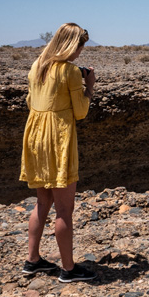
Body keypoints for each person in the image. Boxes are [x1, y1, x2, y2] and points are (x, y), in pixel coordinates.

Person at [19, 22, 97, 282]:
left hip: (35, 136)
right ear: (70, 45)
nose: (80, 52)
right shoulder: (70, 72)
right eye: (79, 47)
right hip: (57, 139)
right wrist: (89, 86)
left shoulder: (37, 65)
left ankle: (32, 261)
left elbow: (30, 101)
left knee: (43, 203)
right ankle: (69, 269)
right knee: (64, 209)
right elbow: (81, 112)